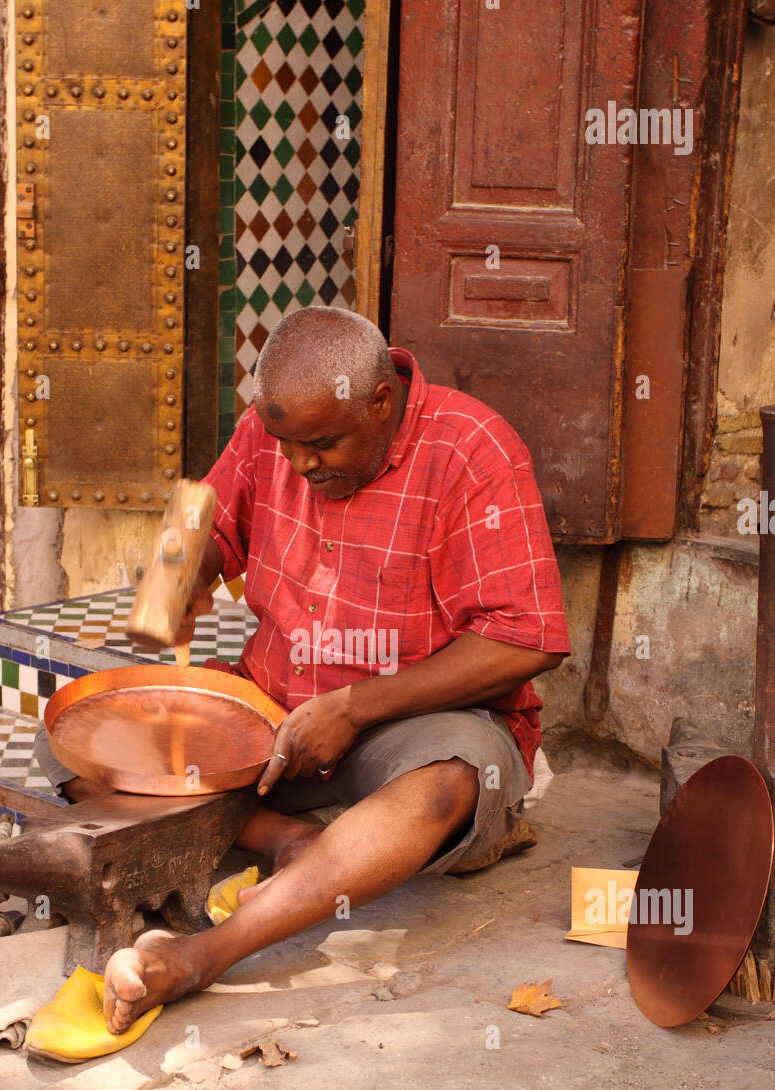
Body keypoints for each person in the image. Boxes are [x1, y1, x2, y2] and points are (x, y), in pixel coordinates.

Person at [34, 306, 571, 1033]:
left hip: (409, 728)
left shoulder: (472, 449)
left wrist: (355, 708)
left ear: (379, 403)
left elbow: (525, 639)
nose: (299, 465)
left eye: (320, 444)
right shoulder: (275, 431)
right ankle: (283, 838)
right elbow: (204, 520)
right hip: (273, 704)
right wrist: (174, 578)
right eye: (285, 445)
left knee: (452, 780)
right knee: (72, 729)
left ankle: (202, 956)